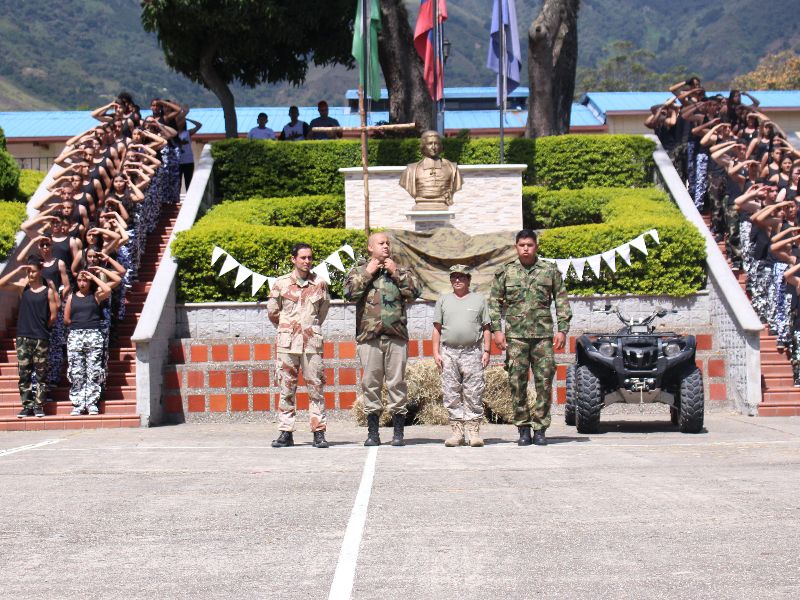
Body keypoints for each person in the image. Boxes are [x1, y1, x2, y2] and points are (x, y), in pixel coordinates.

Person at [489, 230, 572, 446]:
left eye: (529, 245)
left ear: (536, 246)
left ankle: (540, 428)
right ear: (516, 247)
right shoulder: (506, 272)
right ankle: (523, 428)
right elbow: (494, 303)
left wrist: (562, 330)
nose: (525, 248)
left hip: (543, 337)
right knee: (517, 383)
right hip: (515, 337)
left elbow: (562, 301)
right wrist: (497, 330)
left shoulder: (549, 270)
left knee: (544, 383)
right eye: (522, 245)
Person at [344, 232, 423, 446]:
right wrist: (368, 272)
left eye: (388, 243)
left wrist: (395, 272)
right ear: (371, 247)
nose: (386, 246)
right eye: (381, 243)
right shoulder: (359, 270)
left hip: (396, 336)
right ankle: (373, 433)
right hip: (369, 337)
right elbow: (349, 294)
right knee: (371, 384)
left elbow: (415, 292)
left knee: (397, 383)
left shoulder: (400, 269)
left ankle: (398, 433)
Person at [267, 243, 331, 448]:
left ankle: (319, 432)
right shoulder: (281, 283)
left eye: (309, 257)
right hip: (287, 344)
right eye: (303, 257)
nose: (307, 261)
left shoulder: (320, 283)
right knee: (286, 388)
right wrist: (288, 328)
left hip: (312, 343)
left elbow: (322, 311)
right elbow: (273, 312)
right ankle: (286, 432)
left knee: (316, 388)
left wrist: (309, 328)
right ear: (293, 259)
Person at [431, 264, 491, 447]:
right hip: (449, 353)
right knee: (451, 392)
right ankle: (457, 433)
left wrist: (487, 351)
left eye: (461, 277)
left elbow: (486, 327)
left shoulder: (479, 300)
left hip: (472, 352)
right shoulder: (443, 301)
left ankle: (473, 432)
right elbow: (437, 328)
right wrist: (436, 352)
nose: (457, 280)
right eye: (454, 277)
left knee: (474, 391)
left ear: (468, 280)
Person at [0, 258, 58, 418]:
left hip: (40, 337)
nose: (30, 274)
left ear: (40, 271)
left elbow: (53, 315)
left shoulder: (48, 291)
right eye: (28, 271)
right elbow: (1, 283)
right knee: (24, 374)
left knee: (41, 374)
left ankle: (39, 406)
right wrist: (17, 270)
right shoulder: (23, 288)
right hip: (23, 337)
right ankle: (26, 406)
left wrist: (42, 327)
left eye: (33, 271)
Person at [64, 270, 112, 415]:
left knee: (94, 370)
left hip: (94, 335)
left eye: (85, 280)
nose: (82, 283)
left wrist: (93, 277)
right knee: (76, 371)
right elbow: (66, 319)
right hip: (76, 335)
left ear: (90, 282)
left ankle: (92, 403)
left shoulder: (96, 296)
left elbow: (108, 290)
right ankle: (78, 404)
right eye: (79, 280)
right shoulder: (71, 297)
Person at [399, 130, 463, 211]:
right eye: (429, 144)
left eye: (436, 144)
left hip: (442, 206)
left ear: (440, 146)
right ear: (423, 146)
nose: (433, 147)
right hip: (421, 205)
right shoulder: (411, 170)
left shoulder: (452, 168)